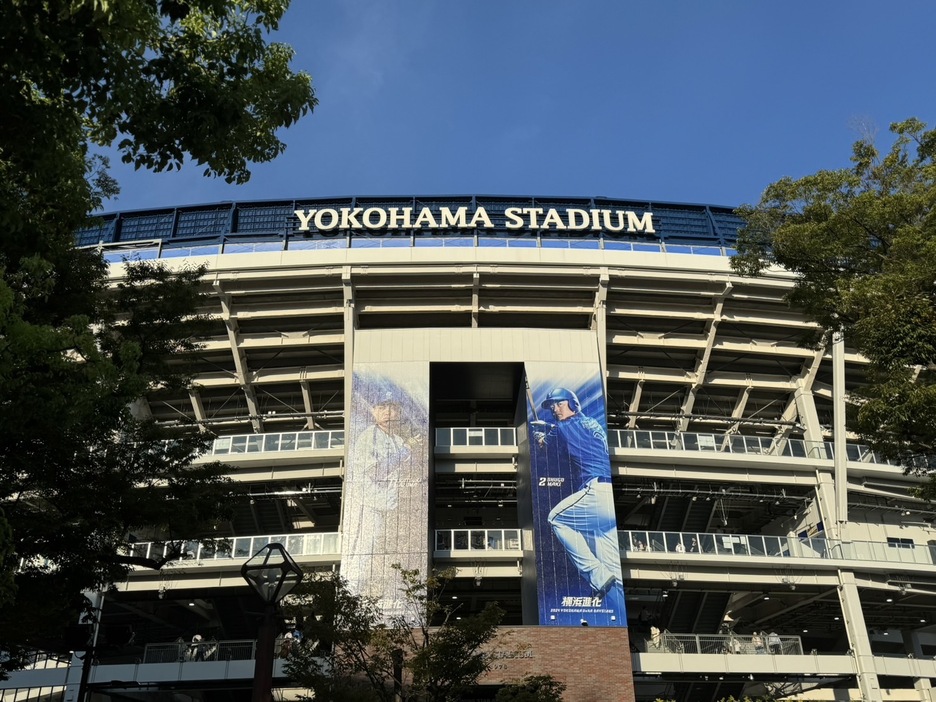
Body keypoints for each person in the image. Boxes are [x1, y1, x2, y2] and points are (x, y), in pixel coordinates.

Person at [533, 387, 623, 598]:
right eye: (552, 406)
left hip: (597, 490)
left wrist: (540, 435)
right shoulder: (591, 422)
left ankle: (595, 574)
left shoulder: (563, 426)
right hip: (610, 498)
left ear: (572, 403)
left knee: (556, 519)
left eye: (559, 403)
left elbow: (546, 444)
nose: (555, 409)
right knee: (613, 572)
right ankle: (609, 592)